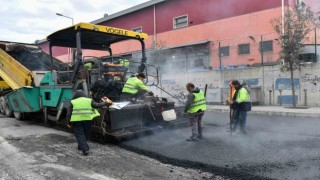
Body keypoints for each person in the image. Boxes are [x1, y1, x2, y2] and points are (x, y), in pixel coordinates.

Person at [67, 90, 112, 156]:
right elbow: (97, 105)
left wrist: (68, 122)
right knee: (86, 133)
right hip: (87, 119)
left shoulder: (73, 102)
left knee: (79, 134)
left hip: (77, 120)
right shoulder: (89, 100)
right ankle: (81, 146)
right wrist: (105, 103)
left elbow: (69, 114)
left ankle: (85, 149)